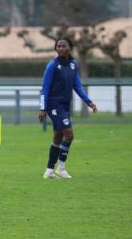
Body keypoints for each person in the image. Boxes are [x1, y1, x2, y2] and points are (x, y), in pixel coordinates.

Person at [39, 38, 97, 179]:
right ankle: (61, 168)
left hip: (65, 105)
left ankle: (49, 171)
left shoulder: (73, 65)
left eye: (63, 46)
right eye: (58, 46)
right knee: (69, 135)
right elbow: (44, 88)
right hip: (54, 105)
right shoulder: (52, 66)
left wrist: (88, 102)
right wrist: (42, 108)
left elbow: (77, 86)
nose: (60, 48)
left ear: (70, 48)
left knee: (58, 137)